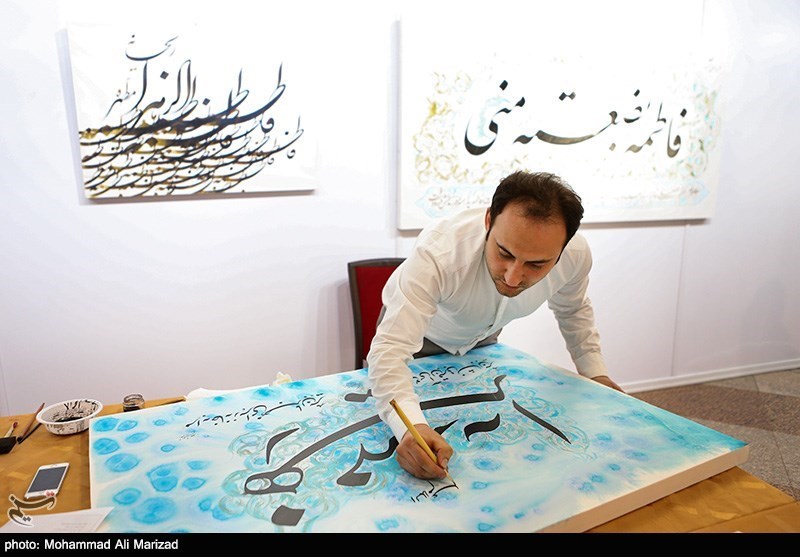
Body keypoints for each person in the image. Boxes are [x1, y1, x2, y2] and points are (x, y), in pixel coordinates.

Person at [366, 170, 623, 480]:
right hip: (422, 335)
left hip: (483, 338)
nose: (513, 278)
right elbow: (391, 351)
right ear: (489, 220)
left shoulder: (576, 256)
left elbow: (573, 310)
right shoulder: (439, 252)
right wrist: (412, 428)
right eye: (504, 253)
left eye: (536, 264)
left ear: (563, 248)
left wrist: (595, 374)